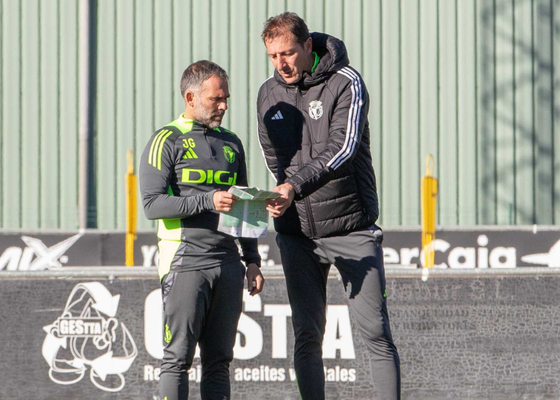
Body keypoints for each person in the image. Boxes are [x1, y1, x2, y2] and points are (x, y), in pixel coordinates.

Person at [257, 12, 401, 400]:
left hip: (351, 228)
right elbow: (274, 158)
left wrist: (292, 186)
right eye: (273, 56)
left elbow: (343, 148)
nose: (281, 64)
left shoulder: (346, 82)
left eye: (288, 53)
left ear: (308, 45)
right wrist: (284, 194)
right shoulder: (267, 94)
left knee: (375, 332)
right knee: (307, 335)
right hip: (298, 235)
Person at [139, 60, 265, 400]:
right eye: (215, 99)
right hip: (186, 261)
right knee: (177, 359)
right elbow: (152, 205)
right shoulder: (166, 139)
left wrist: (252, 260)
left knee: (219, 362)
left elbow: (244, 204)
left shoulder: (232, 143)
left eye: (226, 99)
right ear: (191, 97)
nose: (223, 106)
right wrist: (207, 201)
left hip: (228, 263)